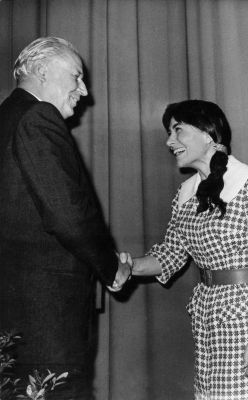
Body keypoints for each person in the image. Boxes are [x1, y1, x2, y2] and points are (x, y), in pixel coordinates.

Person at [120, 99, 248, 399]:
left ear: (208, 134)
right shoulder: (186, 193)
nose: (169, 141)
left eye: (178, 131)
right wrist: (127, 266)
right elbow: (170, 255)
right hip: (208, 317)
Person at [0, 37, 131, 400]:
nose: (84, 90)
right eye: (76, 76)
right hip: (45, 320)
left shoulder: (6, 119)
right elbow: (68, 213)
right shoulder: (38, 117)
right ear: (42, 71)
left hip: (14, 319)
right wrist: (110, 267)